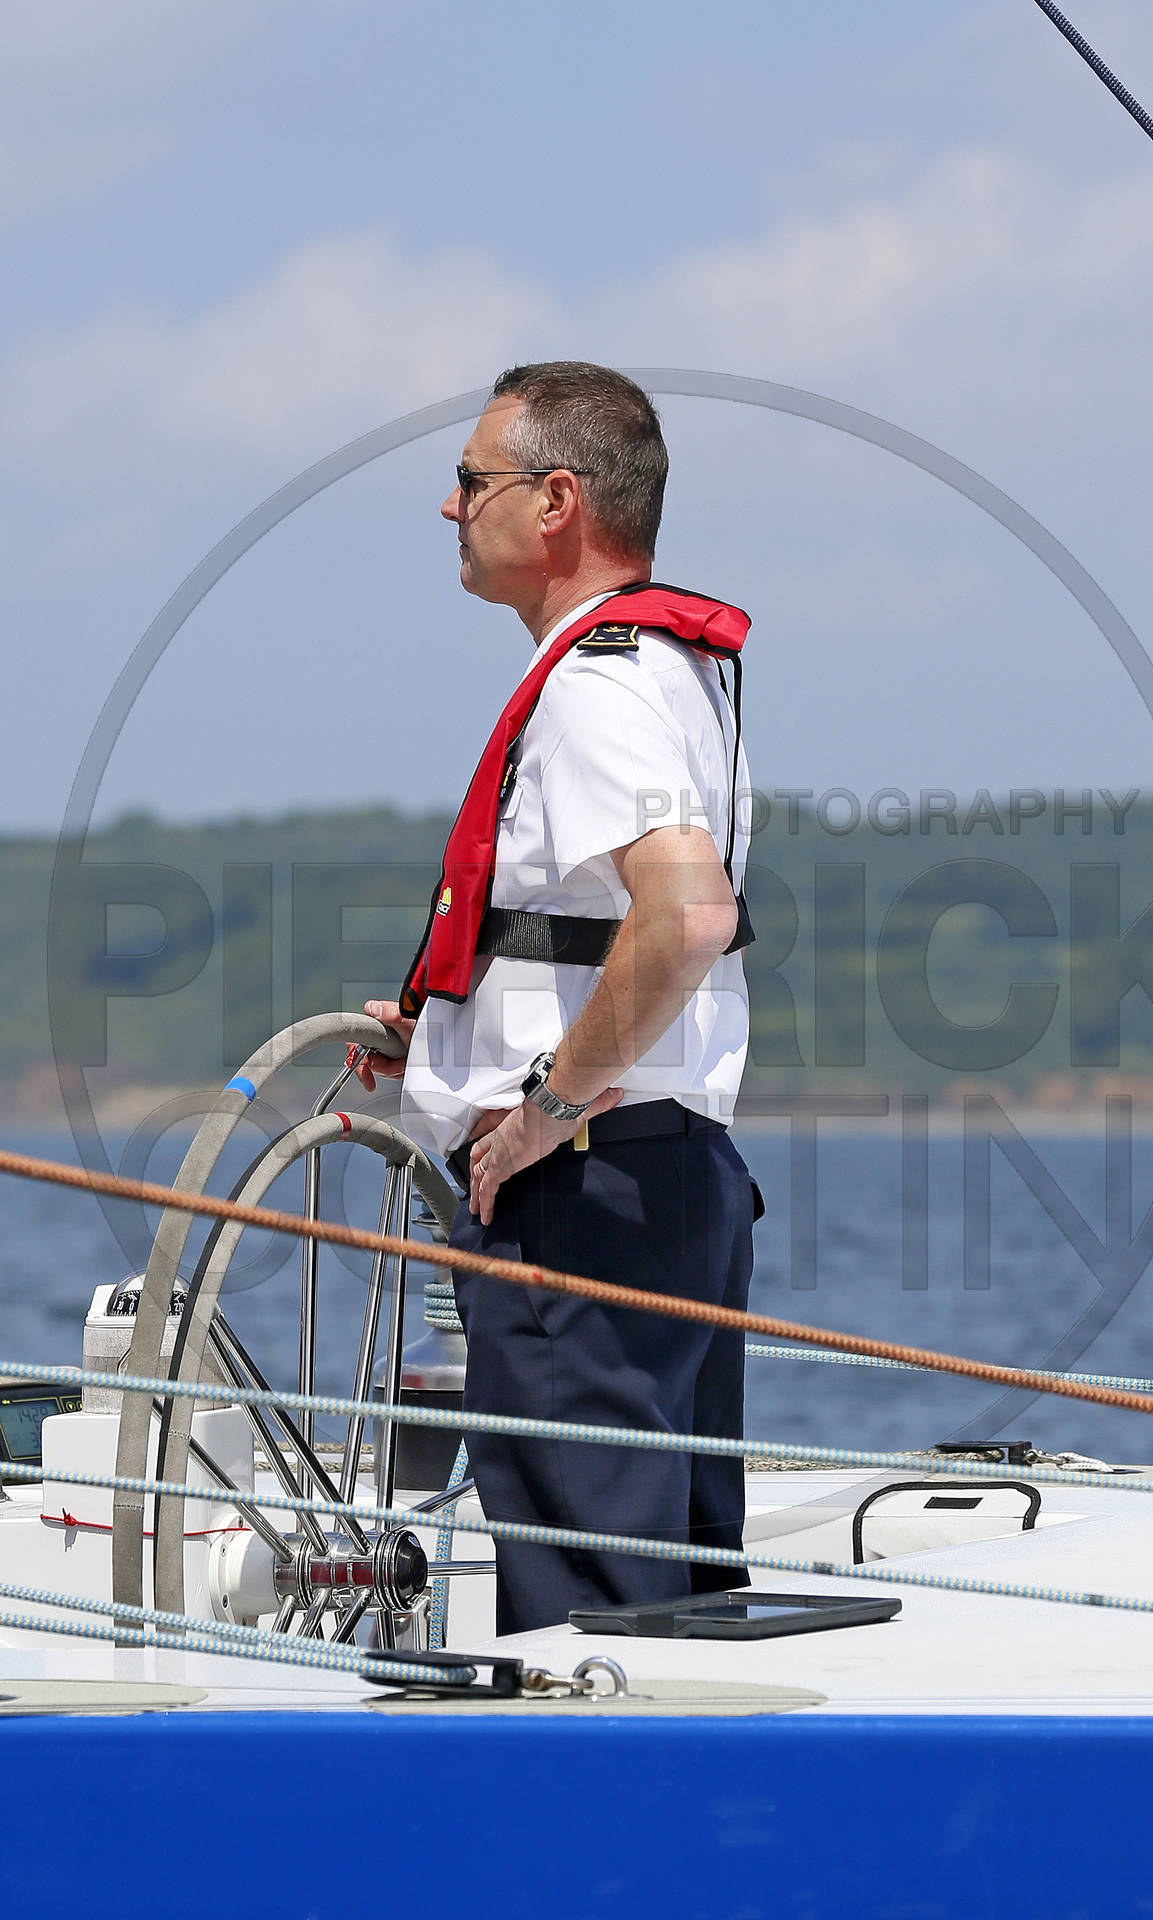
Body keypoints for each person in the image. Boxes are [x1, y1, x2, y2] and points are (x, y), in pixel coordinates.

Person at [355, 362, 757, 1635]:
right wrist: (454, 1035)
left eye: (469, 479)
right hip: (668, 1181)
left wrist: (539, 1109)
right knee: (670, 1605)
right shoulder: (672, 670)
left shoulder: (597, 684)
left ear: (555, 501)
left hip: (579, 1202)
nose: (449, 506)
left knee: (585, 1625)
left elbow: (684, 915)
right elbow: (598, 930)